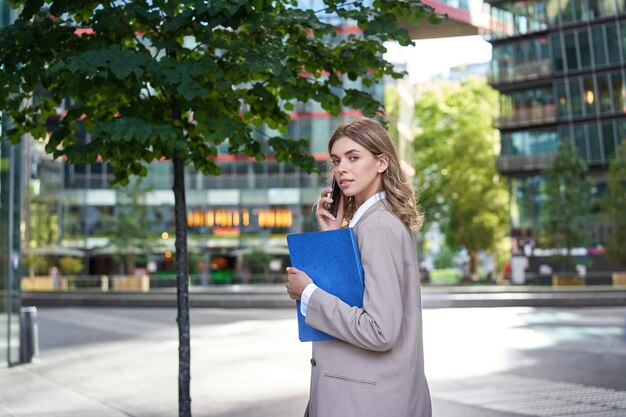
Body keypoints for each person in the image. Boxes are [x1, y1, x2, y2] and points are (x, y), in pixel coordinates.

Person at [285, 118, 431, 417]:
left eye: (354, 157)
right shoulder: (370, 222)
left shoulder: (376, 226)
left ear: (381, 162)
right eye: (337, 160)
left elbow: (380, 331)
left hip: (367, 400)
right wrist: (333, 238)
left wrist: (308, 294)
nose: (341, 169)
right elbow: (352, 297)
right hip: (366, 394)